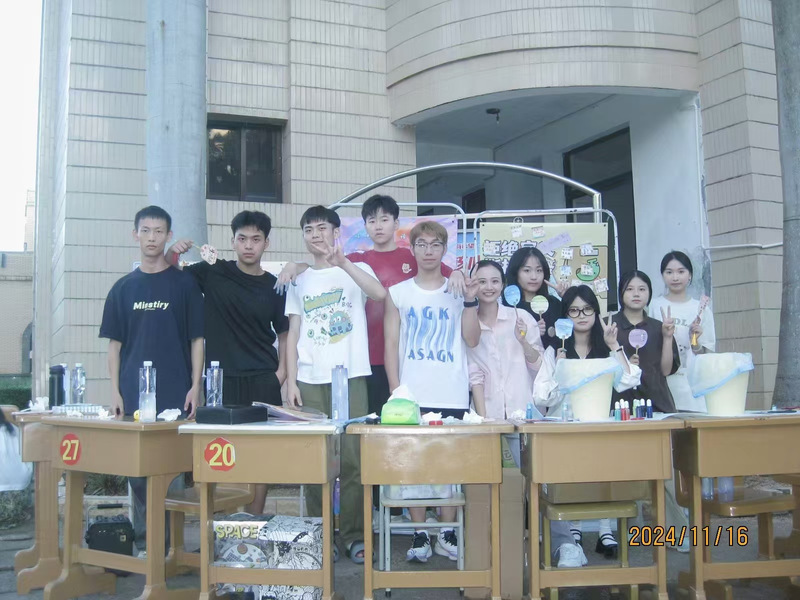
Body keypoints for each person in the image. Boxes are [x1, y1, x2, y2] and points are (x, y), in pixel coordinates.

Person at [276, 194, 465, 418]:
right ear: (364, 225)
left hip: (404, 358)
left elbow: (441, 273)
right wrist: (294, 265)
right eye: (372, 221)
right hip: (365, 358)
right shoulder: (356, 260)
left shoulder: (412, 256)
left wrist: (457, 272)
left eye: (384, 220)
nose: (378, 226)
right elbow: (322, 268)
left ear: (396, 223)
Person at [166, 210, 289, 515]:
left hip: (263, 379)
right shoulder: (213, 271)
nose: (248, 245)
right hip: (220, 381)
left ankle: (253, 522)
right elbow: (171, 273)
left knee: (260, 457)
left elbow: (285, 333)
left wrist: (281, 374)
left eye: (256, 239)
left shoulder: (274, 286)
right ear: (232, 242)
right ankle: (227, 525)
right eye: (242, 238)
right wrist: (173, 252)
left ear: (266, 243)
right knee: (222, 452)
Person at [99, 205, 204, 555]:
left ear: (168, 235)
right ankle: (148, 545)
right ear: (135, 235)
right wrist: (114, 391)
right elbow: (114, 347)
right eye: (145, 231)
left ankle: (170, 549)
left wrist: (196, 386)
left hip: (175, 393)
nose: (152, 238)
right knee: (138, 474)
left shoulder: (185, 284)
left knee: (171, 472)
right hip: (132, 394)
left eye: (159, 231)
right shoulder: (122, 288)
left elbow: (197, 340)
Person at [284, 205, 386, 564]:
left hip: (351, 375)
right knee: (315, 461)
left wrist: (343, 263)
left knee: (354, 460)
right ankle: (321, 534)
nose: (316, 234)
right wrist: (291, 381)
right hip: (310, 378)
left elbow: (379, 294)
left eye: (322, 227)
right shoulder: (299, 279)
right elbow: (293, 333)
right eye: (309, 229)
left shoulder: (356, 268)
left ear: (335, 232)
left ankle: (355, 535)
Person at [384, 220, 481, 564]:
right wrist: (396, 390)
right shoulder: (398, 293)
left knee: (449, 467)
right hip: (412, 394)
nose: (428, 251)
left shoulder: (459, 290)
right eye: (422, 244)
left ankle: (447, 533)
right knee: (415, 466)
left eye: (435, 244)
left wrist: (469, 300)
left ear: (444, 249)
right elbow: (391, 344)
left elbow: (472, 339)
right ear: (412, 249)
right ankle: (420, 532)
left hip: (451, 391)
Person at [533, 285, 641, 563]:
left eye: (587, 309)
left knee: (603, 476)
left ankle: (606, 530)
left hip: (599, 432)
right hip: (564, 432)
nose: (581, 316)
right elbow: (541, 396)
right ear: (565, 315)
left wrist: (615, 345)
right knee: (569, 480)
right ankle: (572, 533)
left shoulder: (606, 349)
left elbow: (629, 379)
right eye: (574, 310)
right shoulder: (556, 350)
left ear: (595, 311)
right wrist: (559, 369)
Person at [467, 259, 543, 419]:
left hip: (524, 413)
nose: (489, 287)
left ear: (503, 285)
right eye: (482, 282)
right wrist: (483, 420)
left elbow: (539, 368)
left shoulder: (521, 317)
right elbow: (473, 374)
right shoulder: (469, 325)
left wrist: (523, 341)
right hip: (487, 416)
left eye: (495, 281)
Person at [649, 251, 716, 412]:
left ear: (690, 275)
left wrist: (694, 340)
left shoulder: (701, 309)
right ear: (662, 275)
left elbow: (706, 355)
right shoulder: (655, 305)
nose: (675, 277)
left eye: (681, 271)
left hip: (693, 389)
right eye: (669, 272)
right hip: (664, 387)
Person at [612, 270, 679, 414]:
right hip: (619, 407)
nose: (636, 294)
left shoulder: (659, 327)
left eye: (642, 289)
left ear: (649, 293)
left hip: (657, 406)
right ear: (621, 293)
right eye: (629, 289)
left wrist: (667, 337)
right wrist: (624, 366)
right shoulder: (609, 327)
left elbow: (666, 370)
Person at [504, 247, 565, 350]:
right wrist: (532, 333)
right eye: (527, 270)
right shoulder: (508, 308)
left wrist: (566, 297)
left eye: (539, 270)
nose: (534, 277)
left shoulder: (554, 304)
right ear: (515, 272)